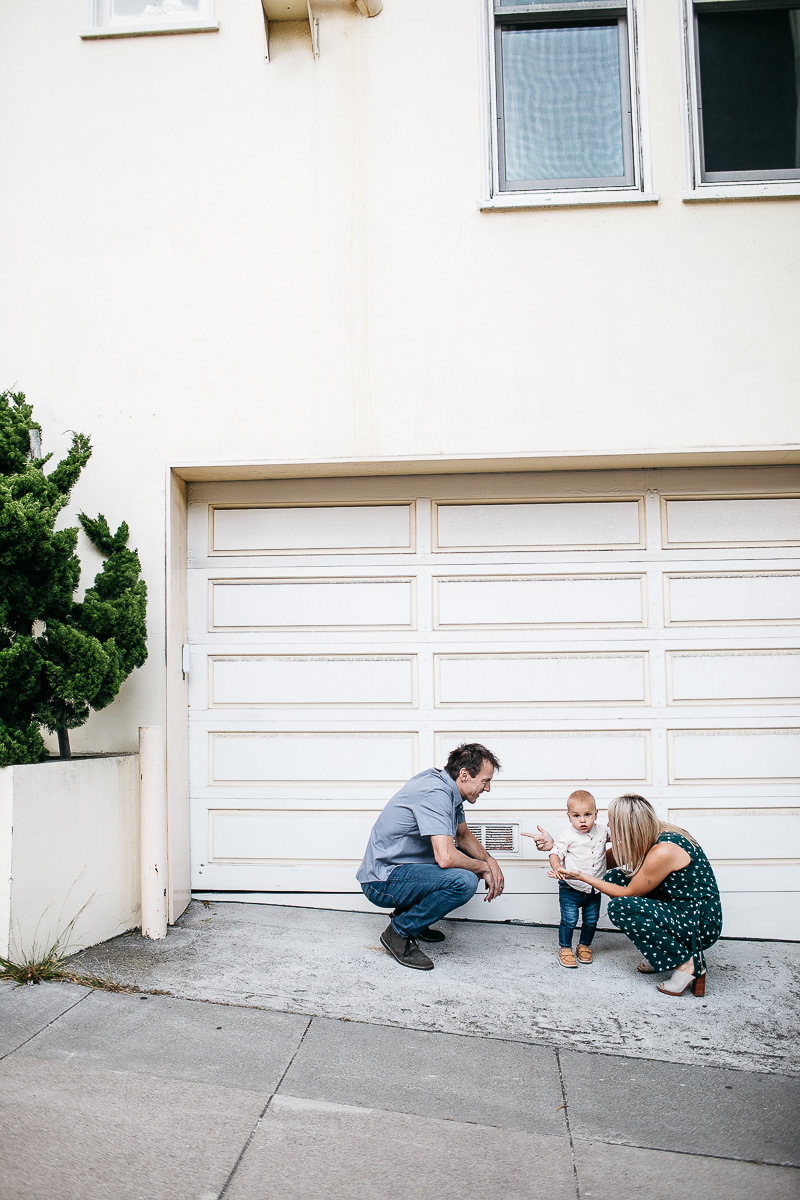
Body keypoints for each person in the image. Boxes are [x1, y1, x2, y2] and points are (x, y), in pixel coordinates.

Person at [539, 793, 722, 996]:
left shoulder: (664, 850)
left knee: (621, 908)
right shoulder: (652, 834)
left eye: (613, 821)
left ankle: (688, 962)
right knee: (614, 877)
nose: (607, 824)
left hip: (698, 924)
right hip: (677, 908)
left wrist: (583, 877)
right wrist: (559, 848)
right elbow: (598, 862)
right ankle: (663, 954)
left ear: (628, 827)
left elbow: (628, 893)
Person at [356, 743, 505, 970]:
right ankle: (399, 932)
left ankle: (411, 917)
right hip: (382, 880)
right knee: (464, 881)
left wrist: (489, 860)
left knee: (467, 864)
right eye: (485, 781)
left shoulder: (448, 789)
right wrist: (482, 868)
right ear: (464, 775)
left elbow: (462, 835)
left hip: (402, 870)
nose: (488, 788)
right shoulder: (435, 793)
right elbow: (445, 857)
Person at [524, 790, 611, 968]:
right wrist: (558, 868)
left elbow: (619, 838)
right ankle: (565, 948)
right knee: (569, 920)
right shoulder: (568, 836)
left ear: (596, 813)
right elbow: (555, 853)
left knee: (591, 920)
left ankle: (584, 945)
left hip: (594, 889)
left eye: (587, 815)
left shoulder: (603, 831)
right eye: (576, 816)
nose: (582, 820)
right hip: (571, 888)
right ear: (569, 816)